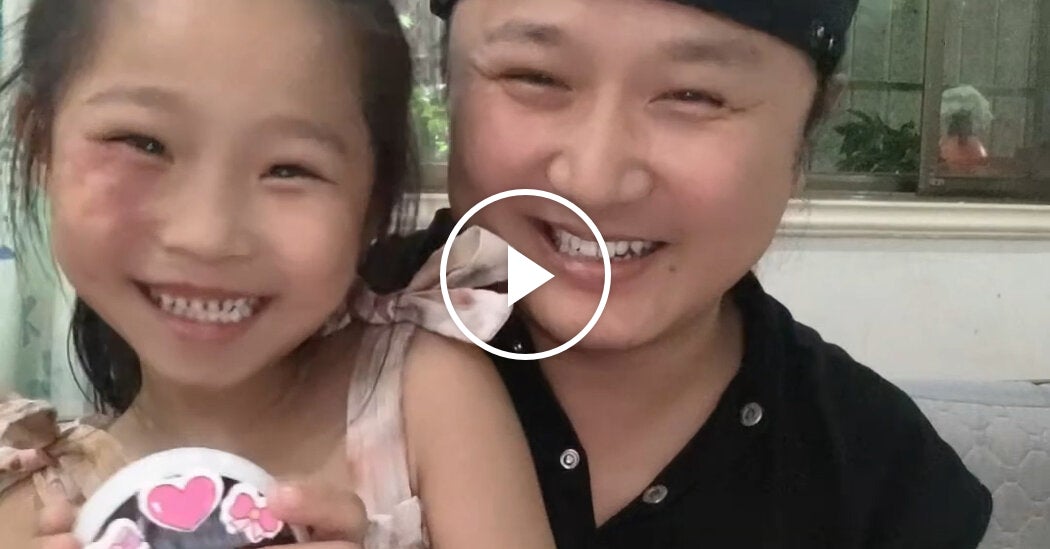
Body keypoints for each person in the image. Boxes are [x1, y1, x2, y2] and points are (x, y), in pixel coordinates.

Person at [363, 0, 994, 547]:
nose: (595, 180)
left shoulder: (885, 482)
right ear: (446, 83)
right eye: (535, 76)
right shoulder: (313, 335)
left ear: (808, 130)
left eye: (694, 96)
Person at [0, 1, 555, 548]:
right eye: (143, 144)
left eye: (290, 168)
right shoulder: (29, 504)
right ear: (39, 141)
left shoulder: (423, 395)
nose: (208, 235)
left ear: (372, 206)